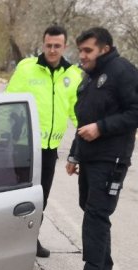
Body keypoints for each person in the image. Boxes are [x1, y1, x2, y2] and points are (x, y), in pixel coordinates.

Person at [61, 27, 138, 270]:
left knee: (96, 217)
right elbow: (84, 119)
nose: (82, 56)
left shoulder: (123, 72)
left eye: (88, 50)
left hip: (111, 159)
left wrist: (101, 128)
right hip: (90, 157)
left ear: (105, 49)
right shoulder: (91, 76)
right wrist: (75, 154)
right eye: (81, 50)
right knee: (91, 211)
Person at [5, 25, 83, 258]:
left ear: (64, 46)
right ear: (43, 44)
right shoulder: (27, 68)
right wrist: (1, 137)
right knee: (20, 196)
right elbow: (9, 102)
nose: (52, 50)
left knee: (41, 198)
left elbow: (77, 111)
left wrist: (87, 135)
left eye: (57, 46)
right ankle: (12, 243)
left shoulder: (73, 75)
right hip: (24, 146)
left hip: (49, 149)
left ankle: (30, 239)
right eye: (48, 45)